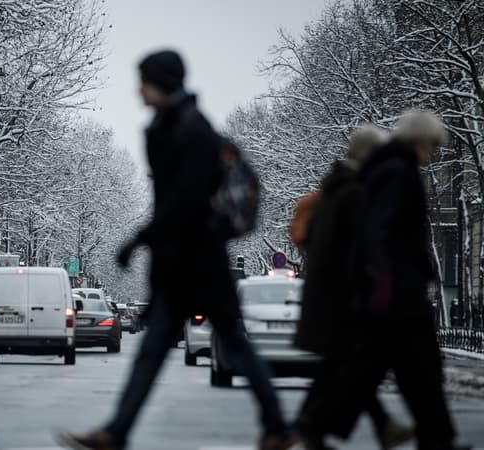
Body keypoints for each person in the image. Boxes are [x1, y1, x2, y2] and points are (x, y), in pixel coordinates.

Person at [56, 50, 294, 450]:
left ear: (161, 83)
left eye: (144, 80)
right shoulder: (170, 126)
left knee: (226, 343)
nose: (138, 89)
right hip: (183, 262)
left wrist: (139, 238)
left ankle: (277, 427)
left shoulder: (190, 130)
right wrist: (149, 240)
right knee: (167, 351)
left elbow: (185, 201)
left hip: (200, 263)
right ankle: (117, 432)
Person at [300, 111, 470, 450]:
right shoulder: (397, 173)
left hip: (391, 288)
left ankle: (435, 438)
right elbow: (379, 230)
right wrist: (384, 280)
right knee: (401, 369)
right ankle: (316, 425)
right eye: (433, 146)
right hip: (397, 290)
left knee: (401, 369)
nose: (433, 154)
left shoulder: (386, 168)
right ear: (420, 142)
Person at [292, 125, 413, 449]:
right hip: (342, 296)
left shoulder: (333, 187)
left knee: (342, 366)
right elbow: (362, 245)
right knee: (352, 366)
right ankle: (309, 428)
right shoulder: (355, 192)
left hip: (326, 293)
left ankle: (315, 429)